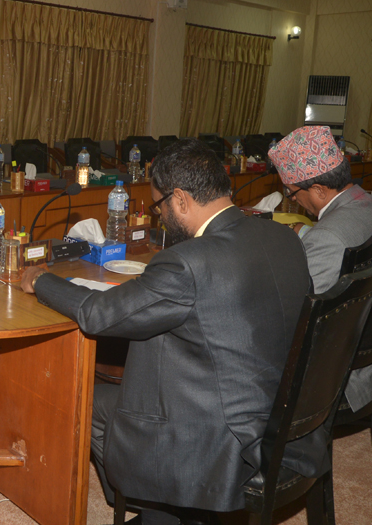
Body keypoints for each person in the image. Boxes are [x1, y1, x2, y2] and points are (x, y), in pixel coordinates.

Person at [21, 139, 322, 524]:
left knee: (90, 400)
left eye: (159, 205)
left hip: (223, 439)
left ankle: (160, 510)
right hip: (286, 413)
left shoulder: (186, 262)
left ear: (179, 199)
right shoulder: (285, 238)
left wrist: (42, 281)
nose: (160, 216)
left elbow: (101, 314)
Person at [269, 125, 372, 412]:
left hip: (336, 374)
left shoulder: (328, 236)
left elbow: (300, 319)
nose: (294, 200)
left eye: (292, 193)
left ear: (318, 189)